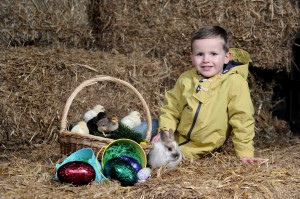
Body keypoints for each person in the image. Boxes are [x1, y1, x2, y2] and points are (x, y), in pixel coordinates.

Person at [150, 25, 265, 164]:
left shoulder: (234, 82)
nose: (206, 59)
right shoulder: (186, 79)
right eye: (200, 54)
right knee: (138, 129)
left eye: (213, 54)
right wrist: (165, 131)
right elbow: (171, 108)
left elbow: (242, 119)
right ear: (191, 57)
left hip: (196, 148)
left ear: (226, 57)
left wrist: (245, 152)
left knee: (155, 160)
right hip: (173, 136)